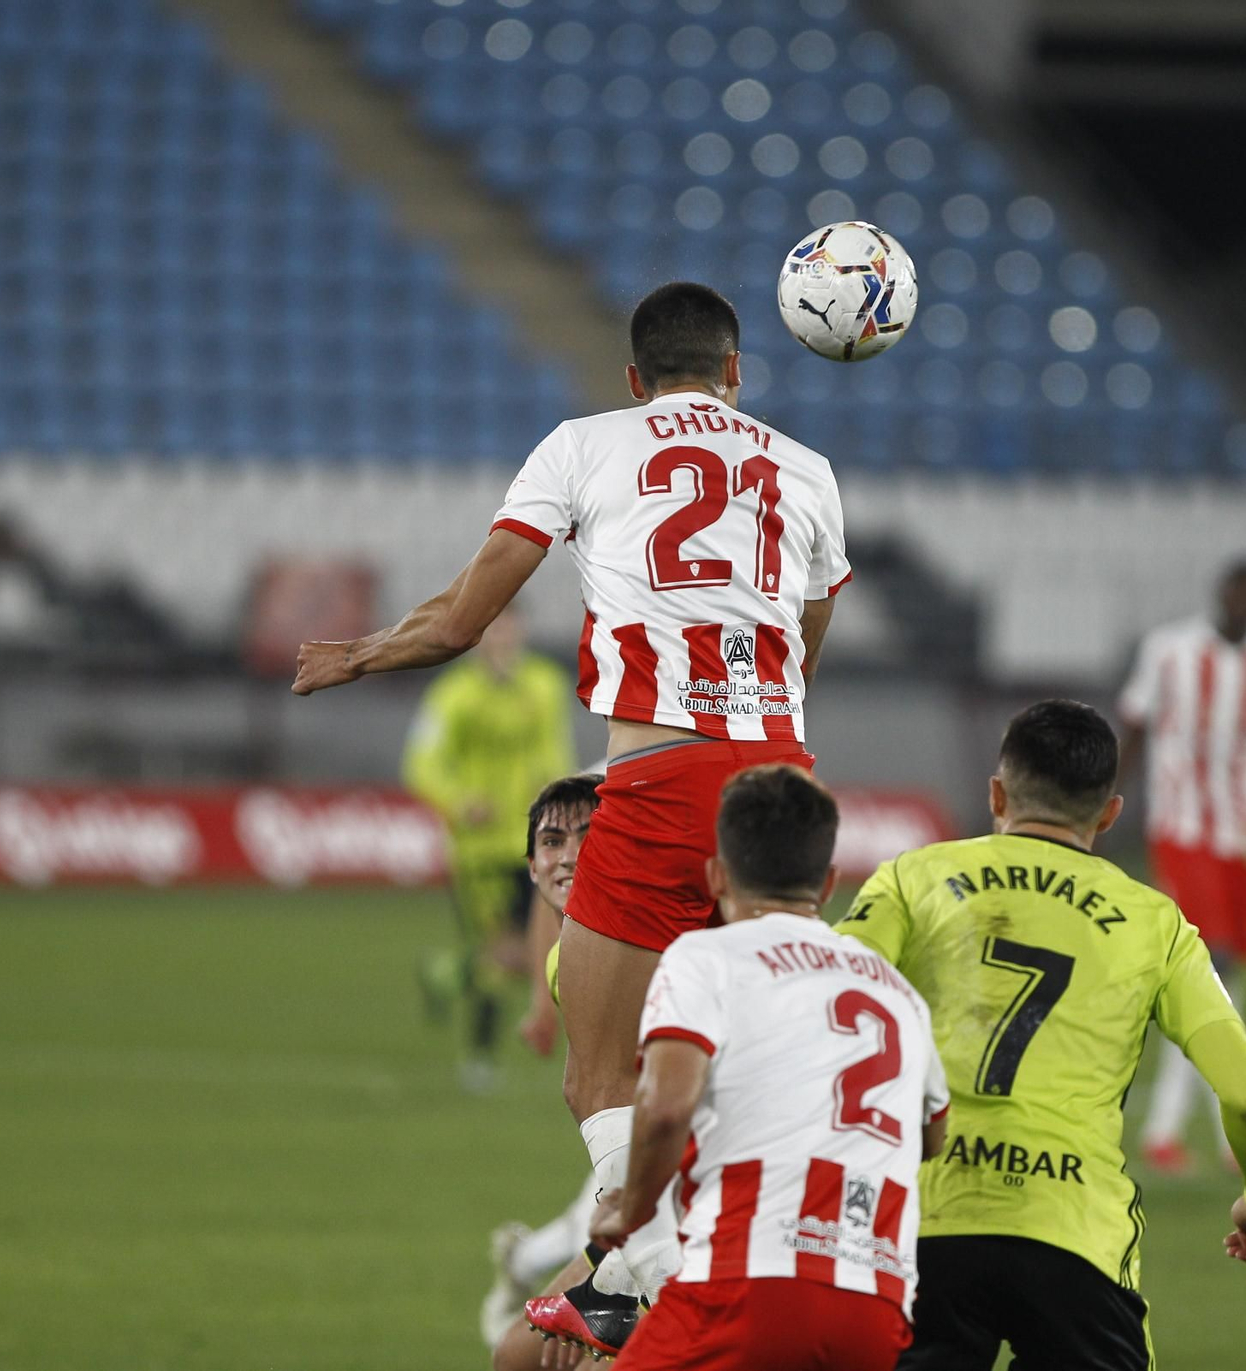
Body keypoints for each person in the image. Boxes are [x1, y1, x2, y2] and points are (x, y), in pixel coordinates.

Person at [292, 282, 851, 1353]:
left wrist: (357, 654)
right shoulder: (809, 471)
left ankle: (654, 1264)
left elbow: (463, 619)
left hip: (659, 780)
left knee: (601, 1074)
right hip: (784, 788)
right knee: (743, 1068)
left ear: (635, 381)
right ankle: (653, 1270)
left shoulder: (585, 444)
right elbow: (803, 648)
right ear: (737, 372)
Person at [839, 700, 1246, 1371]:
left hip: (920, 1223)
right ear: (1109, 813)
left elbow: (829, 999)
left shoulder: (914, 878)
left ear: (996, 794)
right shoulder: (1154, 922)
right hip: (1073, 1234)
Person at [574, 764, 948, 1371]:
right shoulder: (897, 993)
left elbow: (666, 1106)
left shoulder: (707, 956)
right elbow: (930, 1136)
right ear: (827, 884)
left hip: (748, 1283)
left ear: (717, 875)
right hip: (875, 1303)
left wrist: (629, 1208)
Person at [1117, 558, 1246, 1174]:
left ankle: (1191, 1131)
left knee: (1223, 979)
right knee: (1211, 967)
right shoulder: (1170, 650)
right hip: (1182, 829)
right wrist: (1103, 802)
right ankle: (1200, 1128)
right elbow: (1136, 729)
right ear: (1219, 593)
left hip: (1245, 838)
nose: (1241, 602)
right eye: (1234, 591)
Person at [402, 606, 575, 1089]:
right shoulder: (453, 696)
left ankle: (444, 974)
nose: (502, 639)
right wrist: (460, 803)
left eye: (509, 628)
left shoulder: (545, 686)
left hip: (531, 842)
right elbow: (421, 762)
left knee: (531, 955)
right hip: (479, 851)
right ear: (479, 638)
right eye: (492, 629)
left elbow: (554, 753)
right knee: (504, 954)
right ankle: (479, 1059)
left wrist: (560, 808)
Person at [482, 774, 604, 1367]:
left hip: (690, 1212)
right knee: (517, 1356)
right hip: (636, 1206)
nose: (569, 854)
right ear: (531, 867)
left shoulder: (642, 943)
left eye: (588, 836)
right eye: (553, 842)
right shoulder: (569, 956)